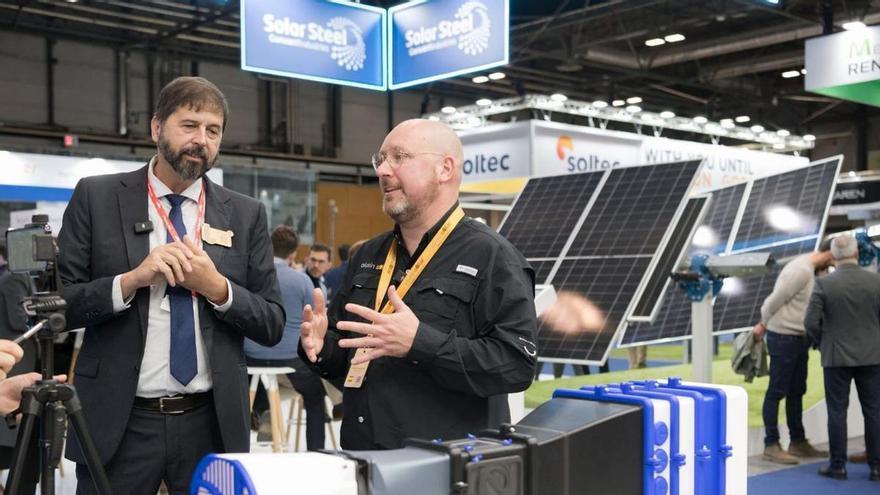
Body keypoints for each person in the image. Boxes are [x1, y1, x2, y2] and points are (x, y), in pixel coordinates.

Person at [57, 76, 285, 494]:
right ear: (157, 128)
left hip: (210, 423)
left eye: (213, 131)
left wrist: (218, 288)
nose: (201, 140)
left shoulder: (245, 214)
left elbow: (271, 323)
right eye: (190, 125)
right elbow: (61, 305)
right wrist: (131, 281)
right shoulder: (98, 197)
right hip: (119, 422)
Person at [298, 119, 538, 450]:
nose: (383, 170)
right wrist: (322, 347)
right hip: (364, 455)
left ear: (445, 168)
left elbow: (516, 366)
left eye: (399, 157)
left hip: (445, 466)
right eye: (380, 159)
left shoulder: (494, 257)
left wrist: (420, 343)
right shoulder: (368, 254)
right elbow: (348, 359)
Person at [244, 225, 329, 451]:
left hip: (251, 358)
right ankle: (316, 453)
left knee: (255, 380)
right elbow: (310, 320)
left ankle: (264, 410)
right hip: (291, 358)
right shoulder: (301, 281)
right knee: (316, 397)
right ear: (293, 254)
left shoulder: (251, 276)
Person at [804, 235, 880, 481]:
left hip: (836, 357)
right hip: (872, 356)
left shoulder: (824, 285)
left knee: (837, 412)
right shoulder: (876, 282)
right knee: (874, 412)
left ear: (834, 256)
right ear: (857, 254)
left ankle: (838, 466)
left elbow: (810, 322)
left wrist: (821, 342)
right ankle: (877, 467)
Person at [753, 241, 833, 464]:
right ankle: (771, 444)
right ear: (828, 254)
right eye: (834, 259)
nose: (834, 264)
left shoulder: (809, 270)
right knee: (777, 391)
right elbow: (773, 300)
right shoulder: (800, 270)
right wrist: (763, 324)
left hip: (799, 338)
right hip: (784, 337)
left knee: (797, 390)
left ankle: (797, 442)